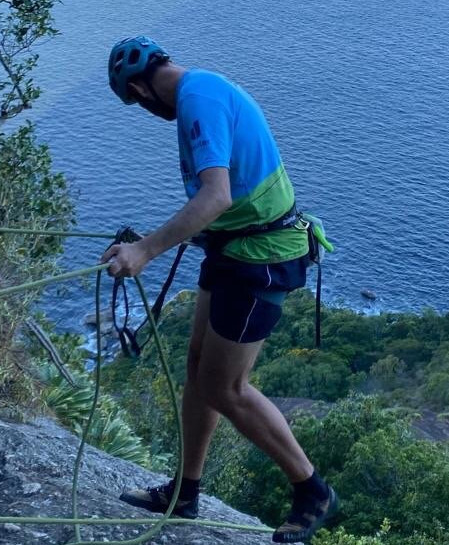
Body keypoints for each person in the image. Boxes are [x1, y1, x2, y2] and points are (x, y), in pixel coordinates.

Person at [102, 36, 338, 543]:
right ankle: (185, 492)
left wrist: (145, 251)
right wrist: (148, 240)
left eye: (138, 102)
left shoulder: (198, 99)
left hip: (261, 261)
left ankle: (313, 489)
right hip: (233, 249)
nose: (146, 110)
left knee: (226, 387)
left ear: (142, 89)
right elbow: (229, 198)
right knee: (197, 367)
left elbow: (216, 195)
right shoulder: (201, 91)